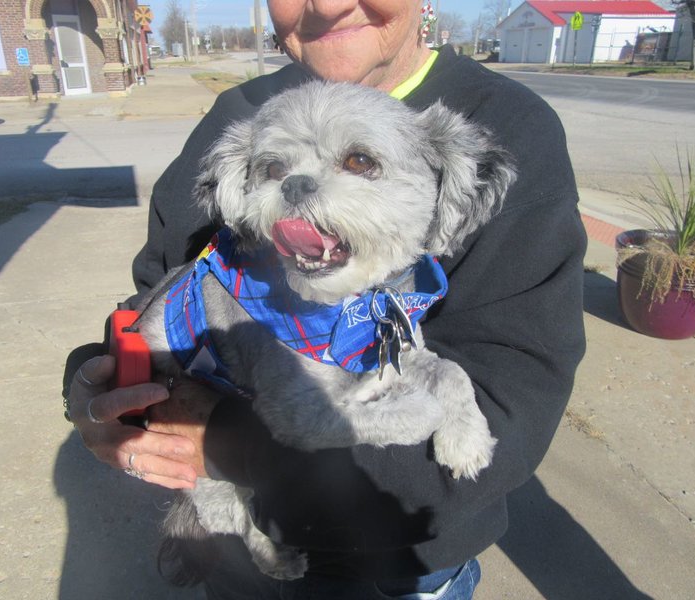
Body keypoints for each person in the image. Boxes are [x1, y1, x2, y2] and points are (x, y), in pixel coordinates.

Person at [63, 1, 587, 598]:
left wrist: (234, 444)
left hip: (394, 564)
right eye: (275, 170)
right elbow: (152, 296)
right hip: (239, 565)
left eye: (359, 161)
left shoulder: (511, 128)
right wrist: (96, 383)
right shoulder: (235, 117)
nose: (329, 2)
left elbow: (507, 421)